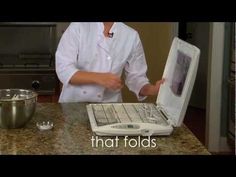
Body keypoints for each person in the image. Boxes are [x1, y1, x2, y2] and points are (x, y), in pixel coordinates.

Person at [56, 22, 164, 103]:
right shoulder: (78, 27)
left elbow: (136, 78)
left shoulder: (130, 36)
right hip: (74, 105)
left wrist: (152, 90)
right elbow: (64, 70)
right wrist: (100, 78)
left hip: (110, 106)